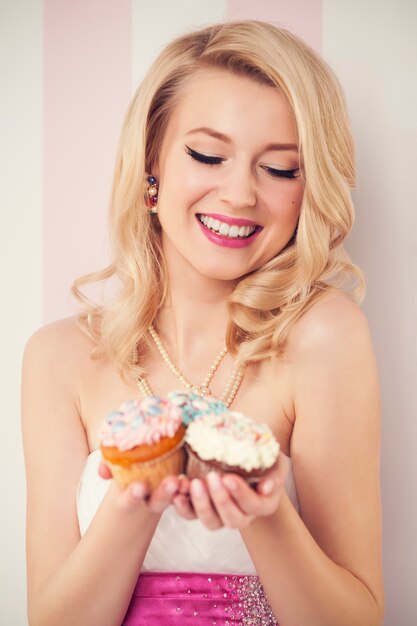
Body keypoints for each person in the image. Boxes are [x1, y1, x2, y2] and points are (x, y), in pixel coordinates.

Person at [22, 20, 384, 626]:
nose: (241, 193)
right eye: (208, 155)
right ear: (150, 166)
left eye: (281, 169)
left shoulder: (324, 337)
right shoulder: (59, 358)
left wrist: (263, 512)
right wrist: (137, 497)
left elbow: (360, 617)